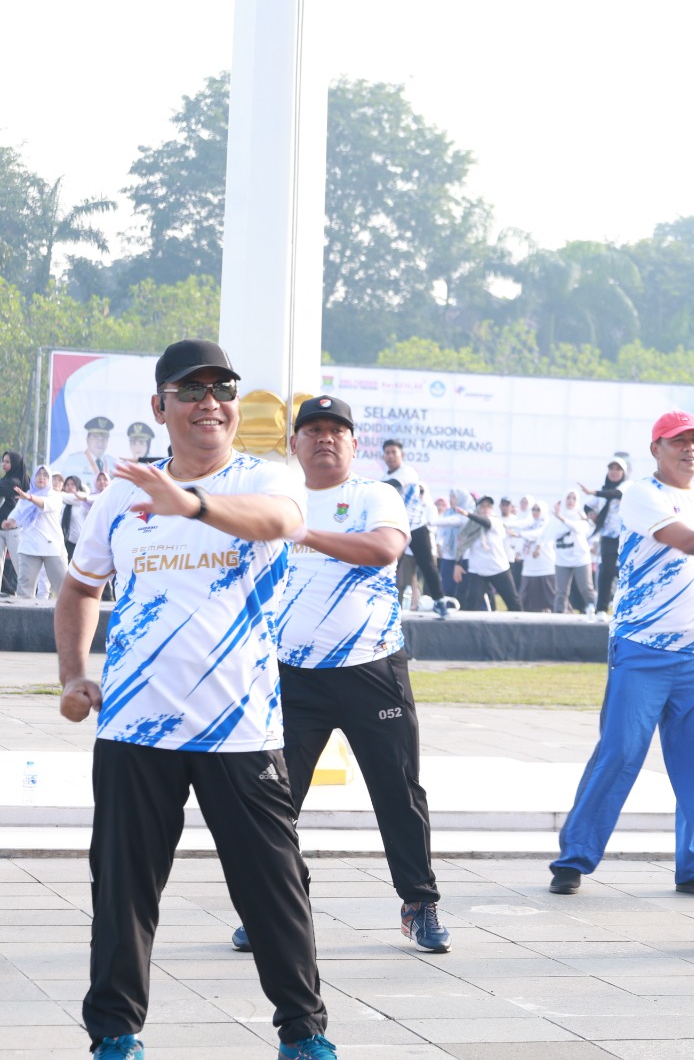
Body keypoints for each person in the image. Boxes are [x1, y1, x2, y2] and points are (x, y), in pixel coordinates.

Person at [54, 338, 335, 1060]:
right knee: (122, 892)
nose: (210, 402)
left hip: (240, 728)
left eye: (222, 389)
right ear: (160, 406)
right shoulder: (123, 493)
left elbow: (281, 525)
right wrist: (73, 673)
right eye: (192, 390)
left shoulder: (267, 478)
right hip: (135, 727)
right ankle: (114, 1033)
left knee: (273, 891)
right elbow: (82, 586)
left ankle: (303, 1035)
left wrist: (192, 503)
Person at [230, 394, 450, 956]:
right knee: (272, 799)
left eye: (337, 430)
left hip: (371, 669)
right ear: (294, 442)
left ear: (354, 444)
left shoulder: (375, 494)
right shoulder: (274, 497)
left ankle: (419, 903)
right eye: (313, 430)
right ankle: (274, 908)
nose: (325, 438)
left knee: (397, 792)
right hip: (293, 675)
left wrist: (302, 534)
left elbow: (383, 550)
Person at [550, 410, 694, 897]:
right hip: (642, 648)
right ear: (656, 448)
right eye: (679, 442)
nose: (689, 450)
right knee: (620, 753)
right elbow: (689, 540)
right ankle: (574, 858)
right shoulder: (642, 494)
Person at [381, 439, 448, 617]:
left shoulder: (407, 472)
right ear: (383, 456)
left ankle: (440, 601)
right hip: (397, 529)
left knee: (428, 566)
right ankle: (386, 606)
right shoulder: (383, 479)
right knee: (390, 568)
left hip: (417, 526)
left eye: (393, 452)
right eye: (387, 453)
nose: (390, 456)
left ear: (401, 455)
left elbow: (393, 485)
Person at [5, 465, 68, 598]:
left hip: (52, 548)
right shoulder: (25, 497)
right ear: (33, 477)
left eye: (45, 475)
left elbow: (44, 504)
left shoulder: (55, 496)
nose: (41, 477)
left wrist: (29, 498)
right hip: (29, 547)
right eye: (38, 475)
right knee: (24, 591)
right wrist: (10, 521)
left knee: (64, 589)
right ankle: (23, 619)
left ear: (49, 479)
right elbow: (17, 513)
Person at [452, 495, 523, 612]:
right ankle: (470, 630)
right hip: (478, 570)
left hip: (498, 568)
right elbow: (462, 543)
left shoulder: (495, 521)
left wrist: (467, 514)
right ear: (478, 508)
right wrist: (457, 564)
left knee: (513, 602)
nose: (485, 509)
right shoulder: (471, 526)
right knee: (472, 604)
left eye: (488, 506)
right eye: (482, 507)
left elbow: (486, 523)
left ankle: (522, 628)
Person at [580, 456, 630, 612]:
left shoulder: (628, 485)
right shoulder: (602, 491)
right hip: (608, 536)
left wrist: (592, 492)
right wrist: (591, 515)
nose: (614, 472)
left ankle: (628, 607)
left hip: (626, 536)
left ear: (624, 472)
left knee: (626, 572)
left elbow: (615, 494)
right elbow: (587, 506)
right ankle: (601, 609)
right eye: (612, 469)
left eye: (618, 469)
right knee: (606, 572)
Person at [551, 489, 598, 614]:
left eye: (574, 498)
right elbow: (547, 535)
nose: (571, 501)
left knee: (586, 588)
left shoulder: (581, 517)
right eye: (568, 498)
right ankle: (559, 614)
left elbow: (578, 528)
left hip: (580, 559)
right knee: (561, 591)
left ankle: (596, 611)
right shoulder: (555, 518)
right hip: (562, 559)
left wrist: (561, 517)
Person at [518, 500, 558, 612]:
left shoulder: (547, 525)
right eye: (533, 509)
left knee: (551, 593)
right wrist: (519, 553)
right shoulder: (529, 525)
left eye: (538, 509)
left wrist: (519, 534)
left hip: (545, 564)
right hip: (530, 564)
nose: (535, 512)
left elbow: (538, 534)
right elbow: (525, 542)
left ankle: (561, 613)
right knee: (525, 594)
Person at [52, 414, 114, 482]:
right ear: (87, 439)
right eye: (96, 437)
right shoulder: (73, 461)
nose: (100, 442)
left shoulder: (113, 463)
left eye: (104, 438)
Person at [0, 449, 28, 595]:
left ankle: (27, 592)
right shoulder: (5, 480)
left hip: (14, 530)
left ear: (15, 464)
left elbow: (4, 488)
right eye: (3, 461)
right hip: (0, 529)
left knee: (19, 564)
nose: (4, 464)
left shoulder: (15, 482)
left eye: (7, 461)